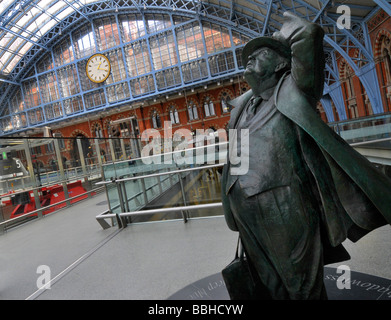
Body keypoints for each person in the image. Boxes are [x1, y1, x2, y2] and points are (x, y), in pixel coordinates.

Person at [221, 12, 391, 300]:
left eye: (260, 53)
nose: (249, 58)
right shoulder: (242, 107)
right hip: (244, 207)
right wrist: (230, 200)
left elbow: (308, 33)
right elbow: (234, 157)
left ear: (281, 64)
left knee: (300, 283)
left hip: (286, 202)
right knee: (268, 280)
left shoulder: (294, 89)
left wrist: (278, 38)